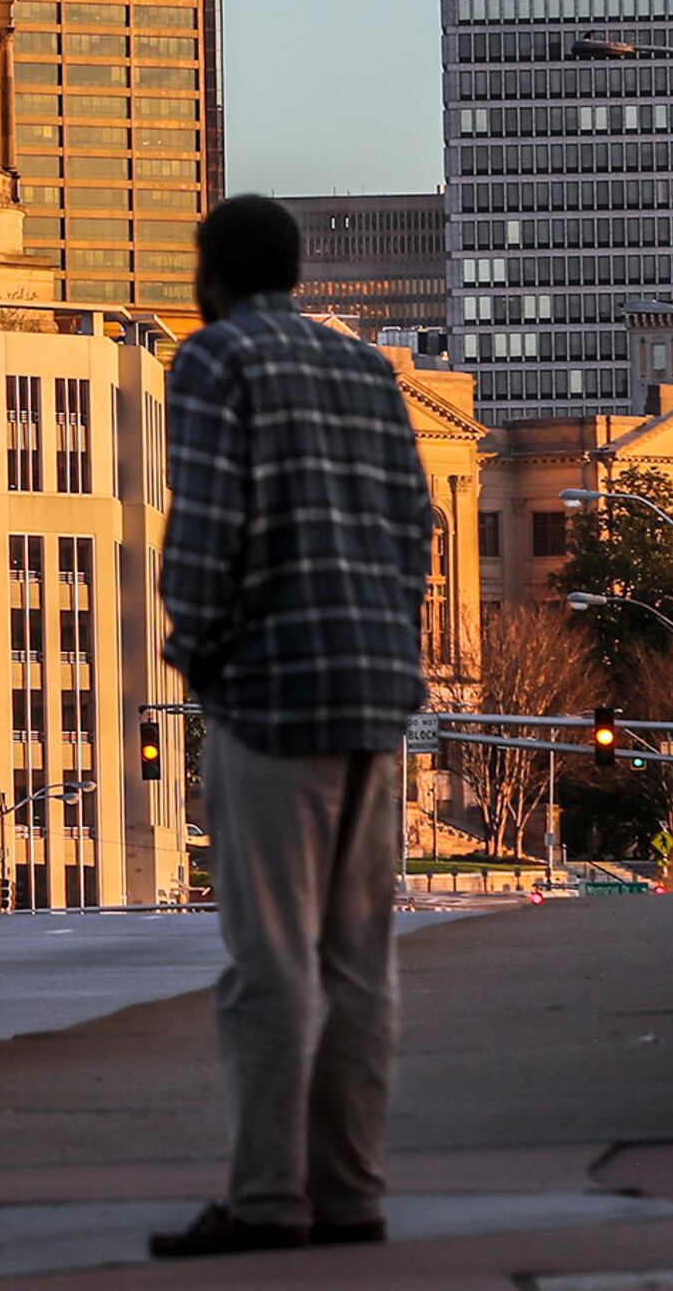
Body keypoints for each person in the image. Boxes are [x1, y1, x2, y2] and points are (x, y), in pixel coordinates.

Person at [149, 194, 437, 1258]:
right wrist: (388, 641)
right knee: (360, 959)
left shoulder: (214, 361)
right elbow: (418, 525)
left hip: (273, 691)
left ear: (212, 276)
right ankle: (350, 1193)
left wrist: (199, 650)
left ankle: (269, 1201)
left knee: (268, 960)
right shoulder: (366, 371)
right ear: (296, 272)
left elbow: (206, 528)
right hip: (375, 692)